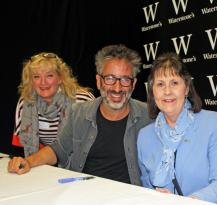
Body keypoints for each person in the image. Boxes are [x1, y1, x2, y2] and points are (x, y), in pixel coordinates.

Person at [8, 45, 152, 186]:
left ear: (133, 85)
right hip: (82, 193)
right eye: (109, 78)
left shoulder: (149, 117)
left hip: (128, 197)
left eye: (125, 80)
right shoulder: (79, 112)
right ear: (98, 81)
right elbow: (57, 150)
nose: (117, 88)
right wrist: (28, 162)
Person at [137, 52, 217, 204]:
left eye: (174, 83)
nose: (167, 91)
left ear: (186, 88)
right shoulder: (144, 136)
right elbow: (147, 188)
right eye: (160, 84)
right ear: (152, 92)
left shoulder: (214, 124)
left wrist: (187, 201)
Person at [12, 52, 95, 157]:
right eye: (36, 76)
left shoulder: (82, 101)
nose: (43, 82)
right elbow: (20, 146)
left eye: (49, 76)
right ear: (31, 80)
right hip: (44, 162)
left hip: (83, 160)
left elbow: (93, 140)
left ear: (60, 78)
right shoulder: (25, 101)